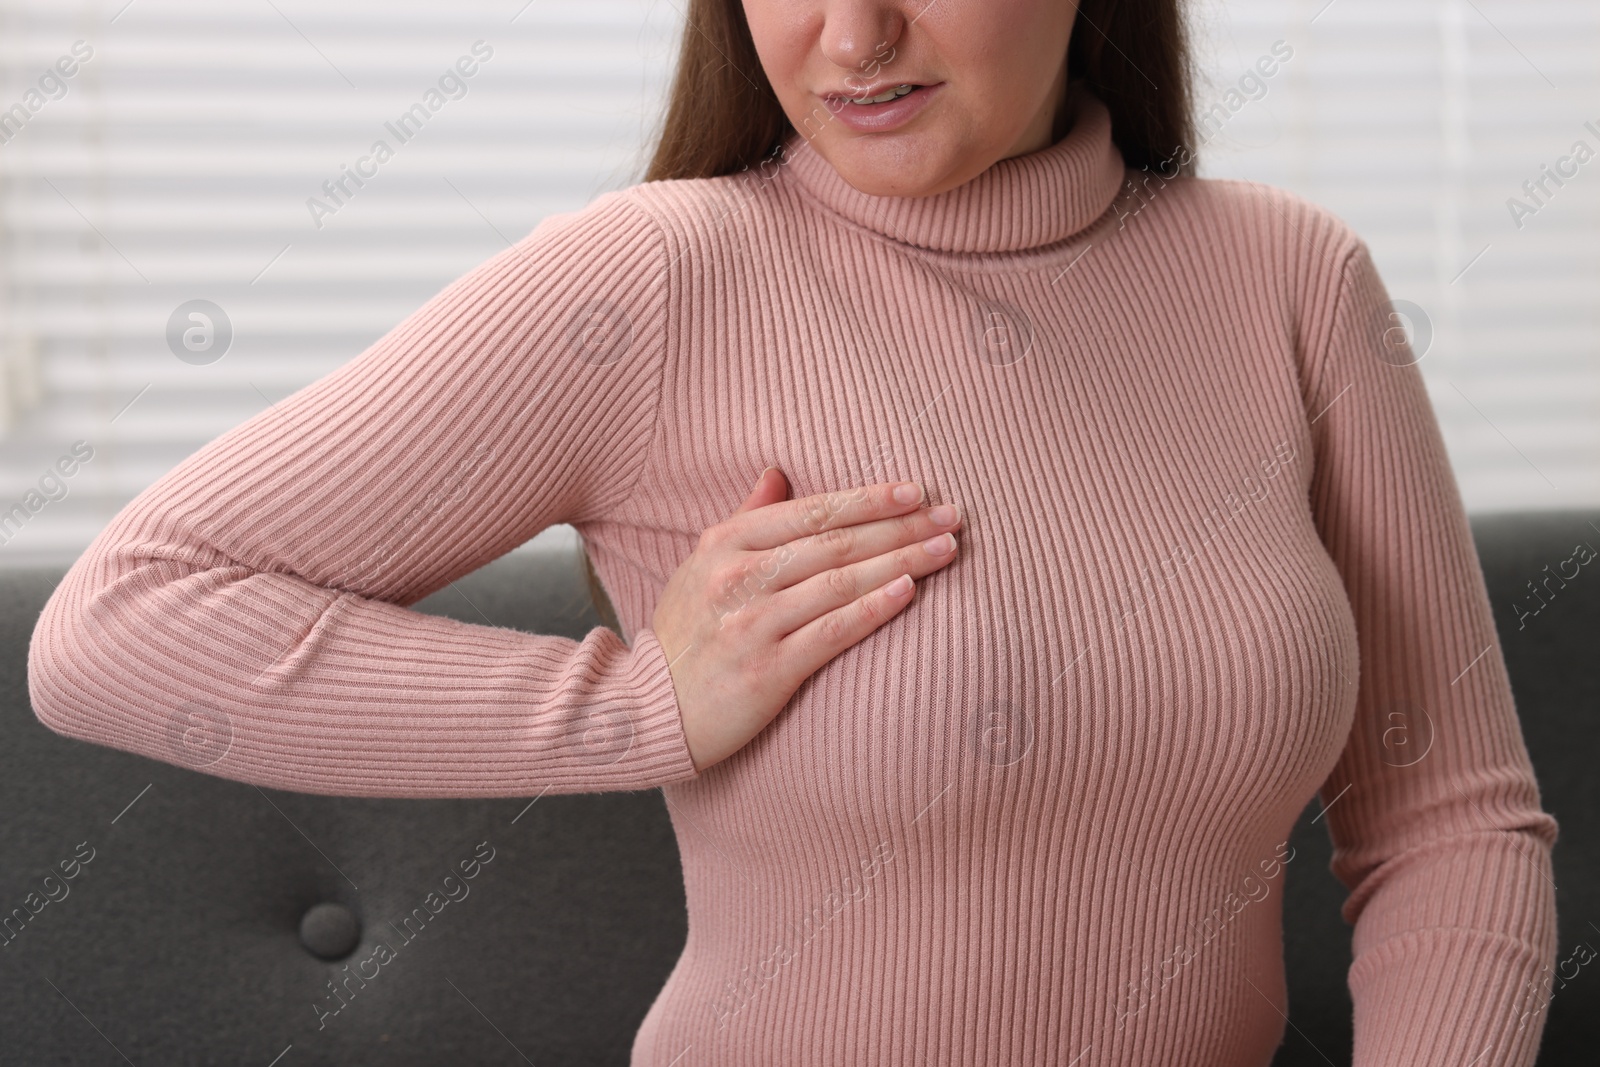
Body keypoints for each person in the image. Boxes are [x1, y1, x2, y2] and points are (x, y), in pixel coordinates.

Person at [28, 1, 1560, 1064]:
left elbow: (1452, 825)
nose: (850, 35)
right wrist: (632, 710)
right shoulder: (660, 282)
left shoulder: (1290, 282)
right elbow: (123, 621)